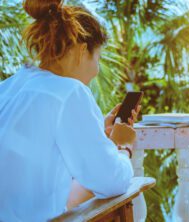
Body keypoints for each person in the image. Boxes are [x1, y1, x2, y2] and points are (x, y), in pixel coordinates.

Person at [0, 0, 140, 221]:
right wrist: (123, 146)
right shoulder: (69, 92)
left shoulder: (9, 88)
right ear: (83, 50)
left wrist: (97, 133)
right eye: (99, 58)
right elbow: (112, 182)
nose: (97, 70)